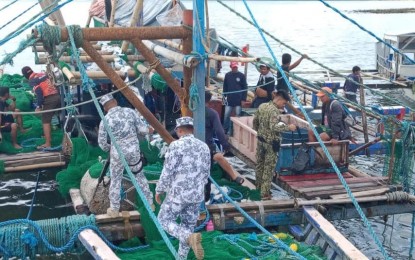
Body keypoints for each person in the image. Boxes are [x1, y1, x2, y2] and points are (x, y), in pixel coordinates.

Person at [156, 117, 210, 260]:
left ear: (179, 130)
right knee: (187, 225)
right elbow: (206, 174)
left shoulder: (175, 146)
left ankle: (188, 238)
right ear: (192, 129)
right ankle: (182, 257)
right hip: (196, 195)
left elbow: (168, 171)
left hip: (178, 195)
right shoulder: (204, 147)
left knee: (163, 220)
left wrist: (159, 189)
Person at [97, 94, 154, 218]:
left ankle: (114, 209)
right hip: (133, 150)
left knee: (116, 179)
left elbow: (101, 143)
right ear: (116, 101)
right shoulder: (130, 112)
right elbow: (142, 130)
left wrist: (110, 148)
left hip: (117, 153)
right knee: (139, 175)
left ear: (105, 108)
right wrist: (150, 130)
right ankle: (149, 202)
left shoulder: (105, 119)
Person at [253, 90, 296, 200]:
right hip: (272, 144)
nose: (284, 105)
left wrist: (260, 132)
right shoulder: (274, 111)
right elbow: (274, 127)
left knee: (259, 166)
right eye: (284, 103)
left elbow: (255, 121)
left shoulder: (262, 106)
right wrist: (288, 128)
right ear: (279, 99)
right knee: (268, 169)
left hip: (261, 141)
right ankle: (264, 193)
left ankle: (258, 188)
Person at [205, 91, 245, 185]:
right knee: (219, 156)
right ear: (209, 101)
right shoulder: (212, 113)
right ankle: (235, 177)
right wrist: (226, 146)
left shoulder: (190, 111)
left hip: (193, 144)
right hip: (207, 146)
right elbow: (219, 131)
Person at [22, 66, 61, 149]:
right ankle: (47, 136)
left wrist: (39, 106)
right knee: (49, 117)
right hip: (57, 96)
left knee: (45, 120)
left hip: (50, 98)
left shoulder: (32, 80)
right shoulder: (42, 74)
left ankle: (47, 143)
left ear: (25, 75)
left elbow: (39, 92)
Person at [223, 61, 247, 135]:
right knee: (226, 115)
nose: (235, 68)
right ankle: (225, 130)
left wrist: (243, 99)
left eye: (236, 67)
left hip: (238, 100)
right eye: (233, 67)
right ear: (231, 67)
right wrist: (224, 97)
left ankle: (236, 132)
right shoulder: (227, 75)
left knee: (238, 116)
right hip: (229, 100)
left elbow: (245, 88)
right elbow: (225, 87)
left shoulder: (242, 76)